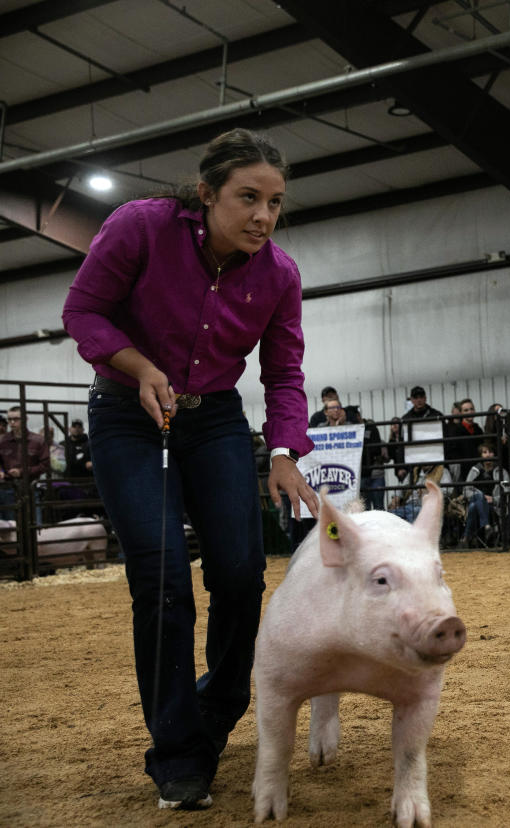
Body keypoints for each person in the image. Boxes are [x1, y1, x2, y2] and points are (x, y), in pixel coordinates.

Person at [60, 128, 317, 811]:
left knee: (239, 569)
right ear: (207, 196)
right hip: (126, 414)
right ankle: (176, 751)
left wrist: (285, 450)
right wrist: (140, 366)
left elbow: (285, 371)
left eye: (275, 202)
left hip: (214, 421)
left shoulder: (280, 276)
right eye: (248, 198)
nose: (263, 216)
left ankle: (219, 705)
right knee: (164, 575)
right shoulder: (140, 228)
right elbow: (82, 310)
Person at [1, 406, 52, 520]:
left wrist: (21, 472)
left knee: (34, 527)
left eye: (16, 419)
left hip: (30, 488)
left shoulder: (38, 440)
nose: (12, 422)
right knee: (12, 530)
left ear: (25, 419)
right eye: (9, 419)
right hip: (8, 489)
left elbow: (45, 465)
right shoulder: (2, 441)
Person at [389, 386, 442, 484]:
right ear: (412, 400)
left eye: (421, 397)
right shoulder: (405, 419)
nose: (419, 400)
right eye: (416, 397)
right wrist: (401, 467)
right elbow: (401, 444)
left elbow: (444, 438)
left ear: (425, 398)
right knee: (413, 491)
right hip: (414, 463)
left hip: (434, 461)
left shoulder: (436, 415)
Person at [461, 442, 509, 547]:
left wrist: (494, 499)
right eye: (484, 452)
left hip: (494, 506)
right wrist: (481, 497)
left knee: (474, 506)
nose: (487, 455)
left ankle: (466, 537)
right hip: (479, 501)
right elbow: (466, 490)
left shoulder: (501, 471)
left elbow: (507, 491)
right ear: (481, 455)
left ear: (494, 454)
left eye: (490, 452)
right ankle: (487, 526)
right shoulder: (474, 470)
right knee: (478, 498)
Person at [443, 398, 482, 481]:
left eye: (472, 409)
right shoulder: (455, 430)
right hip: (463, 472)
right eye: (466, 410)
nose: (470, 412)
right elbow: (453, 453)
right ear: (461, 413)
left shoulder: (478, 429)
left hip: (477, 470)